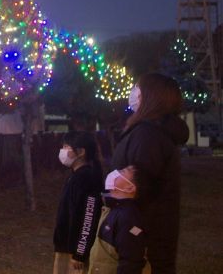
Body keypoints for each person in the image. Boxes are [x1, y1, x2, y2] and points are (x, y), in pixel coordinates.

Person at [111, 73, 189, 273]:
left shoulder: (147, 135)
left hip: (141, 240)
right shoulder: (150, 132)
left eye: (137, 87)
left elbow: (139, 185)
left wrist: (117, 185)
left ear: (151, 96)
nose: (133, 91)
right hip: (143, 235)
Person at [53, 131, 104, 274]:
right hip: (65, 247)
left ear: (81, 152)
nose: (62, 151)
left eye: (66, 147)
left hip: (74, 253)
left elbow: (88, 217)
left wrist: (79, 253)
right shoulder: (75, 175)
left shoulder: (88, 179)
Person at [88, 165, 150, 274]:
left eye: (122, 171)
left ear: (130, 188)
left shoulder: (129, 218)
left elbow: (130, 263)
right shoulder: (113, 209)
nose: (115, 173)